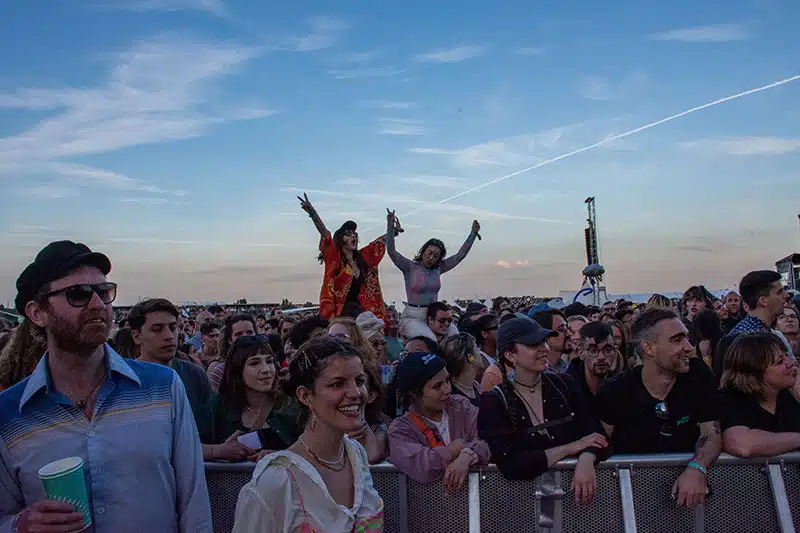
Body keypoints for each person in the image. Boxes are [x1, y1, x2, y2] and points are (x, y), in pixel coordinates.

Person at [1, 240, 211, 532]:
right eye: (78, 294)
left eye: (103, 291)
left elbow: (194, 503)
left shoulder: (163, 388)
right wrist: (19, 525)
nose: (98, 304)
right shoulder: (9, 414)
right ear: (38, 313)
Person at [232, 336, 384, 533]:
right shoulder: (277, 481)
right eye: (337, 384)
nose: (355, 392)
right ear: (305, 395)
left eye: (359, 381)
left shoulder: (355, 454)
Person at [596, 308, 721, 508]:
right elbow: (599, 443)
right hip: (632, 500)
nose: (689, 347)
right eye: (677, 340)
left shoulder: (698, 375)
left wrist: (698, 468)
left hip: (689, 500)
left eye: (687, 338)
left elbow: (711, 432)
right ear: (649, 348)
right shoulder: (616, 391)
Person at [477, 317, 609, 505]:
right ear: (510, 355)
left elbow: (597, 435)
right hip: (521, 506)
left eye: (544, 342)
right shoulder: (495, 401)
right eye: (533, 344)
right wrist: (570, 448)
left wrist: (587, 458)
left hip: (576, 501)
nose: (544, 349)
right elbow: (511, 464)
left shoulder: (565, 384)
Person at [387, 351, 491, 491]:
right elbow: (424, 466)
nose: (447, 389)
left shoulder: (461, 406)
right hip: (426, 508)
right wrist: (456, 448)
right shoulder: (400, 430)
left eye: (447, 381)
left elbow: (489, 439)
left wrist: (467, 456)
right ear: (414, 394)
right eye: (437, 386)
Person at [299, 193, 399, 322]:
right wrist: (312, 213)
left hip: (364, 311)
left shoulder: (363, 257)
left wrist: (392, 229)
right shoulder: (335, 258)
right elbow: (325, 233)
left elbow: (379, 242)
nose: (354, 236)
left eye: (355, 234)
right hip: (340, 313)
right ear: (340, 239)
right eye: (349, 234)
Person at [199, 335, 299, 462]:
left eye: (269, 361)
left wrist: (282, 456)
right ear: (237, 370)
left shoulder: (291, 405)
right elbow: (187, 448)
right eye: (254, 363)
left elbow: (317, 451)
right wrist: (218, 451)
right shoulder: (218, 406)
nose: (266, 370)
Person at [386, 209, 480, 341]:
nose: (431, 257)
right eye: (429, 253)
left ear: (439, 258)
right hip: (413, 316)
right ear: (423, 251)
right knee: (430, 339)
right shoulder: (409, 267)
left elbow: (459, 256)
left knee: (455, 337)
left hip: (435, 316)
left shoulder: (438, 269)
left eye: (435, 256)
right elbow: (391, 251)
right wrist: (390, 226)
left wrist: (473, 235)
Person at [129, 298, 215, 425]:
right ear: (137, 336)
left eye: (173, 328)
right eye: (157, 329)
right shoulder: (127, 380)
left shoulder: (194, 374)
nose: (169, 336)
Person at [719, 332, 800, 457]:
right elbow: (742, 444)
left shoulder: (786, 395)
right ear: (755, 372)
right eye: (780, 361)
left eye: (786, 355)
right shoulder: (731, 400)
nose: (790, 363)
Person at [567, 321, 616, 400]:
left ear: (615, 352)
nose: (601, 357)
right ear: (581, 353)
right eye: (593, 350)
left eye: (607, 350)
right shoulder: (566, 388)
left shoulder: (622, 386)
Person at [207, 313, 257, 391]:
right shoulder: (220, 372)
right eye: (238, 334)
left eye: (249, 332)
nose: (245, 337)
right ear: (230, 340)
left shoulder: (266, 365)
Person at [440, 333, 484, 407]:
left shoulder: (475, 385)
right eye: (476, 349)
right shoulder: (456, 401)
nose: (480, 353)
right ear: (470, 357)